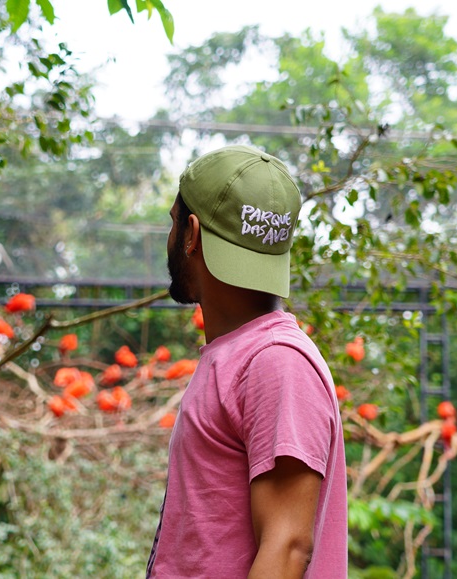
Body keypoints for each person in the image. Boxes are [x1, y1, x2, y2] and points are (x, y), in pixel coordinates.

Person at [146, 145, 348, 578]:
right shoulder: (243, 356)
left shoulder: (275, 363)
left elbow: (288, 547)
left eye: (172, 221)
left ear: (190, 233)